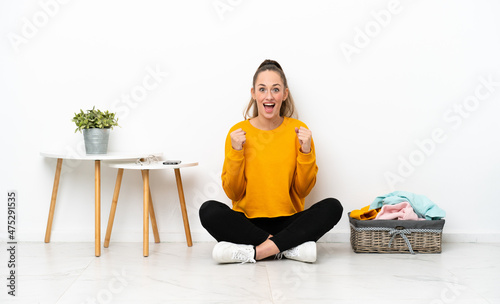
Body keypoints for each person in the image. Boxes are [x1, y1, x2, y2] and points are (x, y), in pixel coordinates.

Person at [199, 59, 343, 264]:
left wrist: (306, 151)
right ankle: (285, 248)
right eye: (262, 89)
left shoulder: (298, 130)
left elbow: (302, 191)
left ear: (284, 94)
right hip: (248, 224)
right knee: (208, 211)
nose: (268, 96)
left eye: (275, 89)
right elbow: (233, 193)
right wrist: (236, 152)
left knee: (333, 207)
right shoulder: (238, 132)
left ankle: (256, 252)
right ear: (253, 93)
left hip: (288, 222)